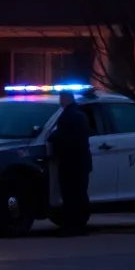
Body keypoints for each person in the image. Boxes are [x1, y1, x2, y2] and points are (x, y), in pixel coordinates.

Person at [49, 90, 93, 235]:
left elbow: (61, 137)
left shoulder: (66, 116)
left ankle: (71, 226)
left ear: (65, 98)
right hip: (82, 161)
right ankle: (80, 224)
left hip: (69, 162)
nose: (59, 101)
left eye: (61, 98)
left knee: (69, 195)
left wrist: (53, 140)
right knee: (80, 193)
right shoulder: (80, 115)